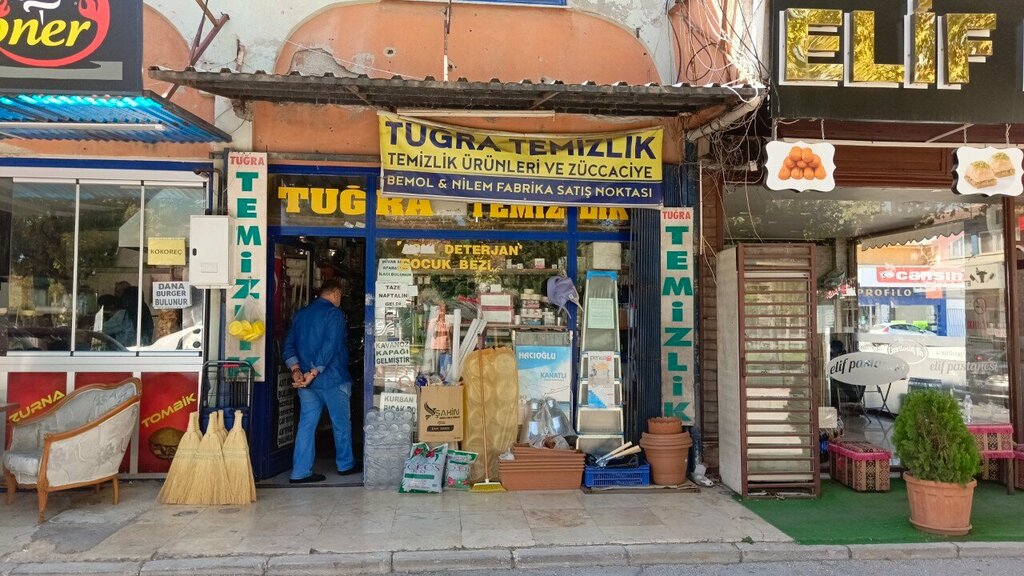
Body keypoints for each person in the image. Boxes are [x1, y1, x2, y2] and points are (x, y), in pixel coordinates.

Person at [283, 278, 357, 483]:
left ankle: (300, 471)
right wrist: (314, 372)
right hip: (332, 379)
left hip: (306, 383)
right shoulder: (334, 314)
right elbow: (330, 346)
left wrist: (296, 370)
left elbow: (288, 345)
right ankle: (345, 464)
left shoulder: (301, 315)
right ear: (334, 294)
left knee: (306, 425)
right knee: (341, 423)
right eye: (340, 296)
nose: (340, 300)